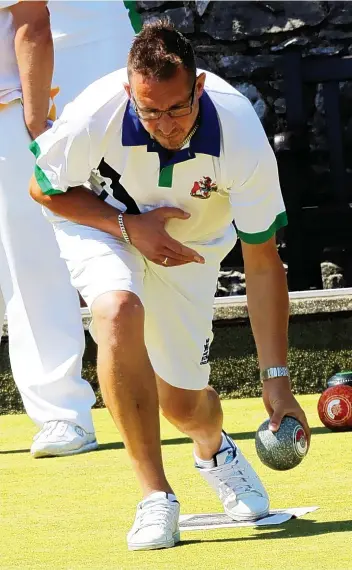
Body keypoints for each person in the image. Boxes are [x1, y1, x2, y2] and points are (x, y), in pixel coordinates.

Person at [30, 20, 310, 550]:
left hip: (191, 251)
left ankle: (213, 448)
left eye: (178, 108)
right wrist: (127, 226)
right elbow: (44, 188)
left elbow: (263, 262)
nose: (165, 124)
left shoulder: (239, 134)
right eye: (150, 110)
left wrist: (276, 380)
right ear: (129, 92)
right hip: (102, 226)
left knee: (183, 406)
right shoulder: (96, 114)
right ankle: (155, 496)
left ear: (198, 87)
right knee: (116, 310)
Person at [0, 1, 136, 457]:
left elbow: (31, 23)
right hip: (48, 91)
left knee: (33, 257)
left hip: (39, 96)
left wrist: (38, 126)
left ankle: (65, 414)